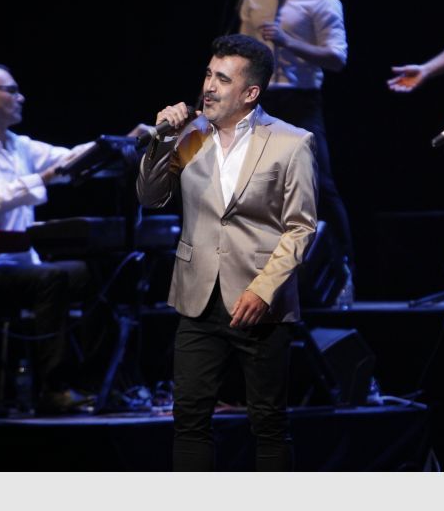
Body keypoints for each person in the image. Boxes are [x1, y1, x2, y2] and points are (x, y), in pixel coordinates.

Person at [136, 34, 318, 471]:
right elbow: (150, 197)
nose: (209, 87)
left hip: (259, 302)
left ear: (250, 92)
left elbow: (300, 228)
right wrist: (162, 139)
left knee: (268, 423)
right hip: (197, 297)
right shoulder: (190, 135)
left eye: (222, 78)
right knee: (189, 420)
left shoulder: (292, 142)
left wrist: (264, 290)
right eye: (208, 75)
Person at [0, 62, 100, 414]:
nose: (21, 97)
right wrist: (42, 178)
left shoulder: (19, 146)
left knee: (91, 272)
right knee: (51, 278)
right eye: (12, 90)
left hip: (21, 266)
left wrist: (123, 141)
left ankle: (97, 382)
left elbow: (68, 158)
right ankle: (52, 389)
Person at [238, 0, 354, 300]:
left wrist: (289, 42)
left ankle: (343, 272)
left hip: (300, 100)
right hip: (261, 100)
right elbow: (243, 51)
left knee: (319, 184)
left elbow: (337, 58)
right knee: (258, 189)